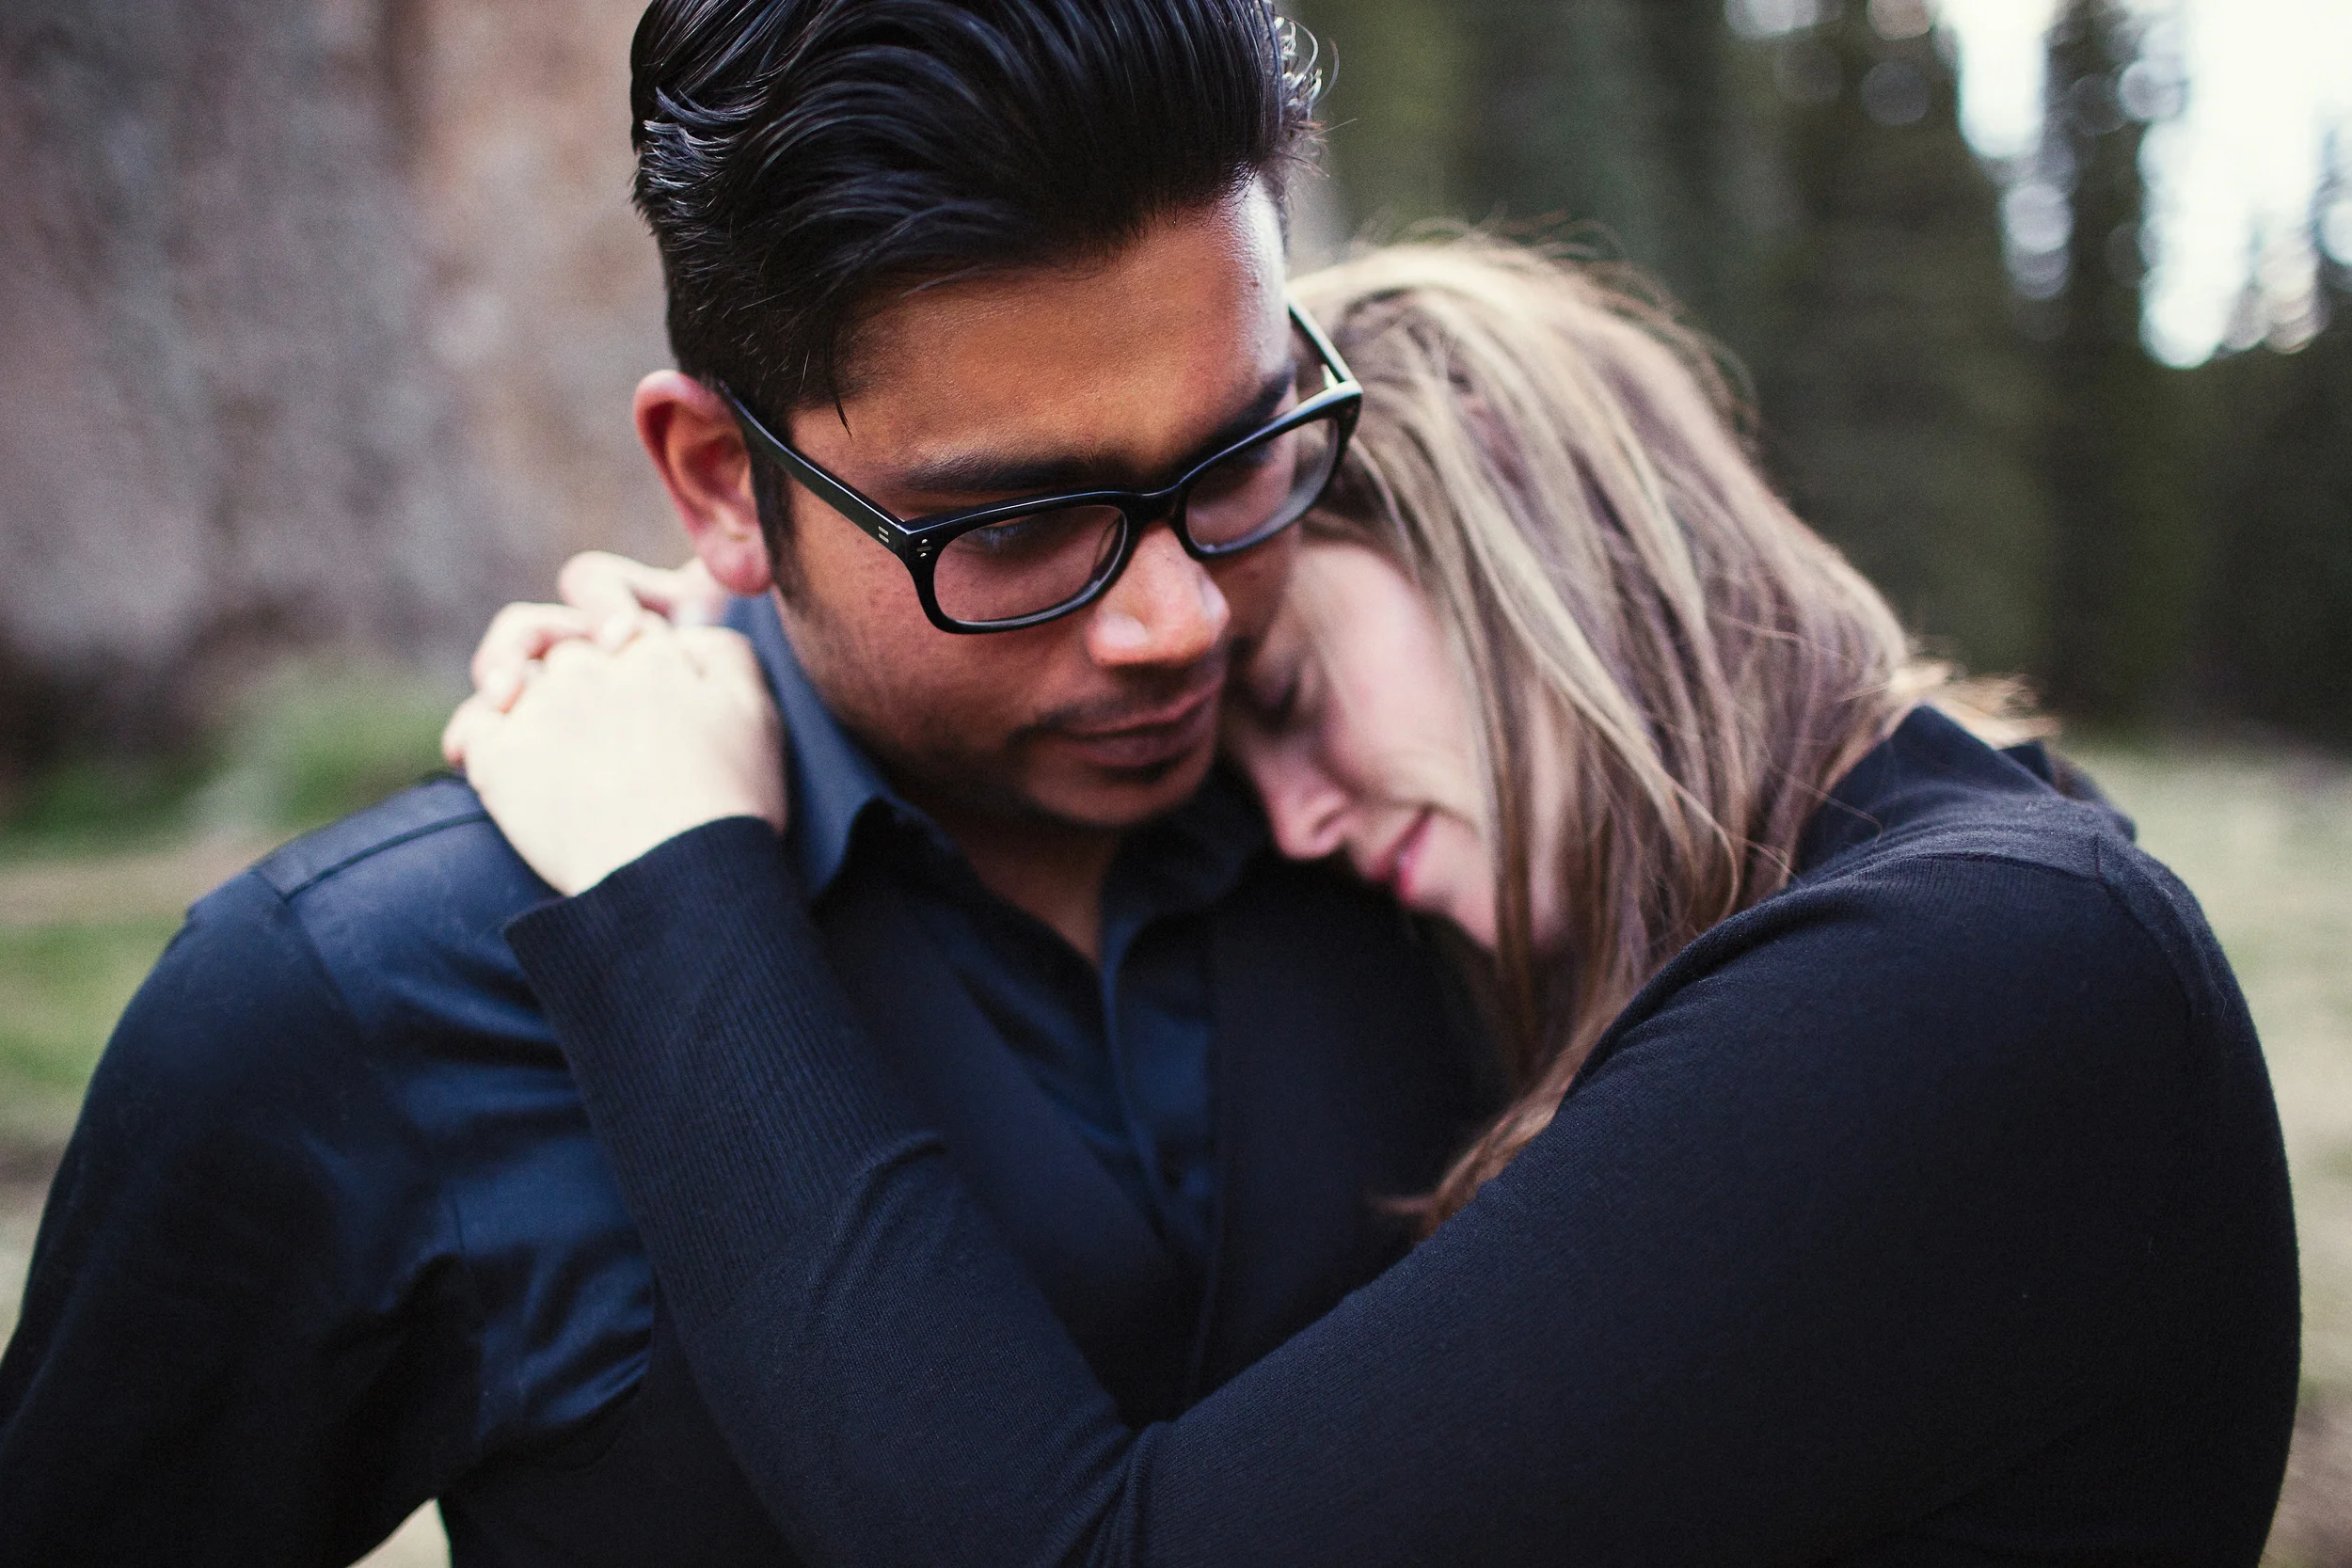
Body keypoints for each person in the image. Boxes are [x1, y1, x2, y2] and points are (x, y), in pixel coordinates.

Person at [450, 239, 2303, 1564]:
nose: (1301, 820)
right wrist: (775, 634)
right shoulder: (1987, 888)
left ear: (1512, 538)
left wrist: (666, 880)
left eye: (1291, 694)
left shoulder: (1976, 976)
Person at [0, 7, 1505, 1565]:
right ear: (724, 482)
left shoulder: (1451, 852)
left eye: (1241, 453)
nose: (1178, 619)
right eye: (1013, 526)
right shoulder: (349, 1004)